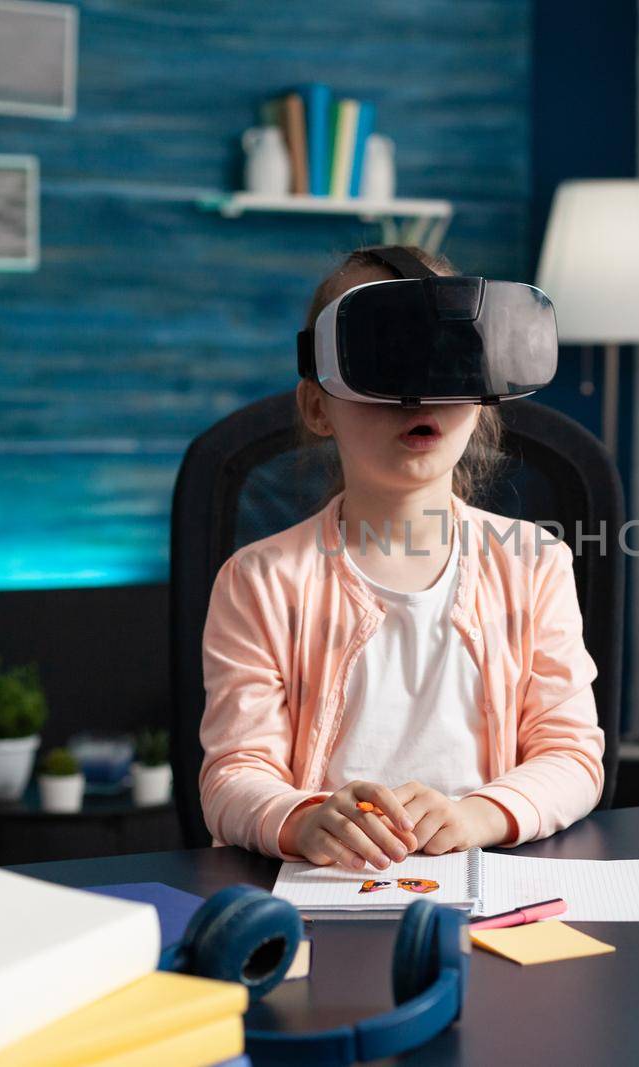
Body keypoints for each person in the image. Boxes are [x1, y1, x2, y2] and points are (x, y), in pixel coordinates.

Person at [198, 245, 605, 871]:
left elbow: (572, 757)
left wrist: (479, 814)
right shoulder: (261, 581)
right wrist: (304, 819)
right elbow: (233, 775)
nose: (418, 398)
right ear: (317, 407)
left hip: (489, 888)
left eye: (445, 366)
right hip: (327, 891)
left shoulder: (533, 563)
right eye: (384, 361)